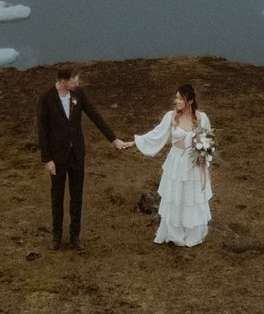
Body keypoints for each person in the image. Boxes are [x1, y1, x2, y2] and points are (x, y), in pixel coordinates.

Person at [33, 66, 130, 251]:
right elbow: (42, 131)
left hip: (77, 154)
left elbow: (95, 115)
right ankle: (56, 237)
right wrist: (47, 159)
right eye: (73, 81)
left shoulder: (78, 94)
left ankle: (75, 236)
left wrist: (113, 139)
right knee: (57, 197)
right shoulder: (47, 99)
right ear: (62, 82)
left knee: (76, 196)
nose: (77, 83)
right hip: (57, 157)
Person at [131, 81, 213, 246]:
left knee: (191, 198)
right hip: (176, 163)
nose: (176, 101)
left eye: (180, 98)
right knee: (175, 198)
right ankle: (174, 233)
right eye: (176, 98)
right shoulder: (171, 116)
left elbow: (207, 145)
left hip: (193, 165)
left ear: (189, 101)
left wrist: (204, 168)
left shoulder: (201, 118)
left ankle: (192, 233)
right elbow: (156, 135)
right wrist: (134, 142)